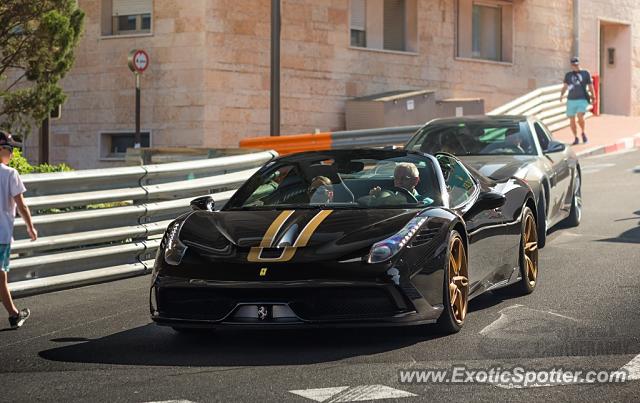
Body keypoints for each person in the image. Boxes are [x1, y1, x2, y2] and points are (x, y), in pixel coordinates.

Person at [0, 131, 37, 329]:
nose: (13, 153)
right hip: (2, 236)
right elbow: (22, 205)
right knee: (1, 277)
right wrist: (30, 227)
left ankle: (14, 313)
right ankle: (14, 315)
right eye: (10, 148)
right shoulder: (10, 174)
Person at [560, 56, 595, 145]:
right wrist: (561, 95)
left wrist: (593, 96)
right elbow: (565, 86)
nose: (575, 66)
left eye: (576, 64)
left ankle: (583, 132)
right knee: (572, 119)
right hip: (571, 100)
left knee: (580, 116)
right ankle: (575, 137)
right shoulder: (568, 75)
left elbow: (590, 85)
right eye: (573, 65)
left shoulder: (585, 73)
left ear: (579, 63)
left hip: (582, 99)